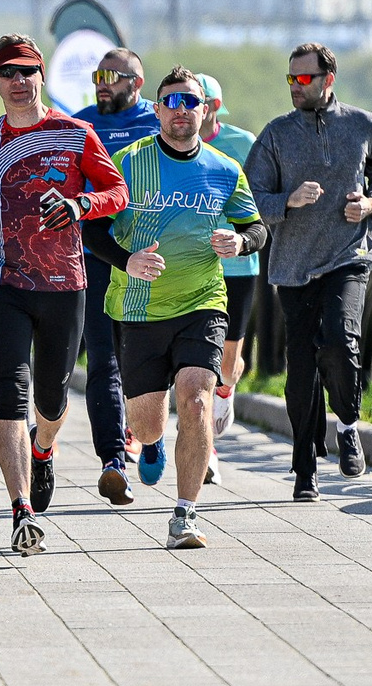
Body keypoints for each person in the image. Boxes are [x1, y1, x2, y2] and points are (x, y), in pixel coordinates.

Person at [0, 36, 129, 553]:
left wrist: (80, 206)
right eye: (7, 71)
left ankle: (44, 447)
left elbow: (115, 192)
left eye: (27, 70)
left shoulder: (76, 134)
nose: (18, 80)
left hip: (63, 285)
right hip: (3, 282)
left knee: (51, 398)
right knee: (9, 394)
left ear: (41, 76)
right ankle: (21, 510)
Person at [85, 68, 268, 549]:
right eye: (172, 101)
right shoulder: (126, 163)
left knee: (196, 398)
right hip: (138, 307)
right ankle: (151, 441)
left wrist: (240, 240)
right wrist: (129, 260)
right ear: (157, 109)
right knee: (146, 419)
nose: (181, 110)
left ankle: (184, 515)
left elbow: (257, 228)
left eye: (191, 101)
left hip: (202, 301)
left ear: (205, 109)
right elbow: (91, 230)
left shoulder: (225, 168)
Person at [245, 43, 372, 501]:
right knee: (301, 369)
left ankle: (348, 425)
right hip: (293, 267)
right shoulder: (275, 135)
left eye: (304, 79)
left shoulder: (363, 125)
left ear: (328, 80)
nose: (295, 86)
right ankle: (304, 469)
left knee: (339, 338)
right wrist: (285, 202)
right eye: (290, 78)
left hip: (349, 256)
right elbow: (250, 196)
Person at [75, 47, 159, 502]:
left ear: (137, 83)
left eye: (113, 75)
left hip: (150, 254)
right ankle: (112, 461)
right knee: (103, 359)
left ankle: (152, 433)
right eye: (97, 74)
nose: (102, 82)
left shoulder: (157, 121)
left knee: (146, 358)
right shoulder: (81, 123)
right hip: (95, 252)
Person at [195, 74, 257, 446]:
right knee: (197, 361)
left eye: (198, 102)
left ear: (214, 107)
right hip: (193, 262)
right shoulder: (169, 145)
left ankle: (226, 389)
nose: (189, 110)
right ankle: (206, 450)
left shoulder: (243, 143)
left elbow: (259, 198)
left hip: (238, 263)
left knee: (229, 362)